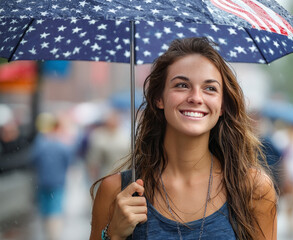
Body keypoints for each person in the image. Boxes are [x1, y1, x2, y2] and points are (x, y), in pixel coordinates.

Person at [89, 37, 277, 240]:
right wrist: (114, 234)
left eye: (210, 88)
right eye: (181, 85)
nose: (196, 97)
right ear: (158, 98)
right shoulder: (116, 191)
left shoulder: (253, 189)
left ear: (222, 105)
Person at [31, 112, 74, 240]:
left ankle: (48, 232)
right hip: (58, 181)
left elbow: (33, 160)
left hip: (43, 180)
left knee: (45, 209)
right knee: (55, 209)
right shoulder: (62, 145)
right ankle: (53, 234)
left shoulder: (40, 143)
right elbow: (68, 161)